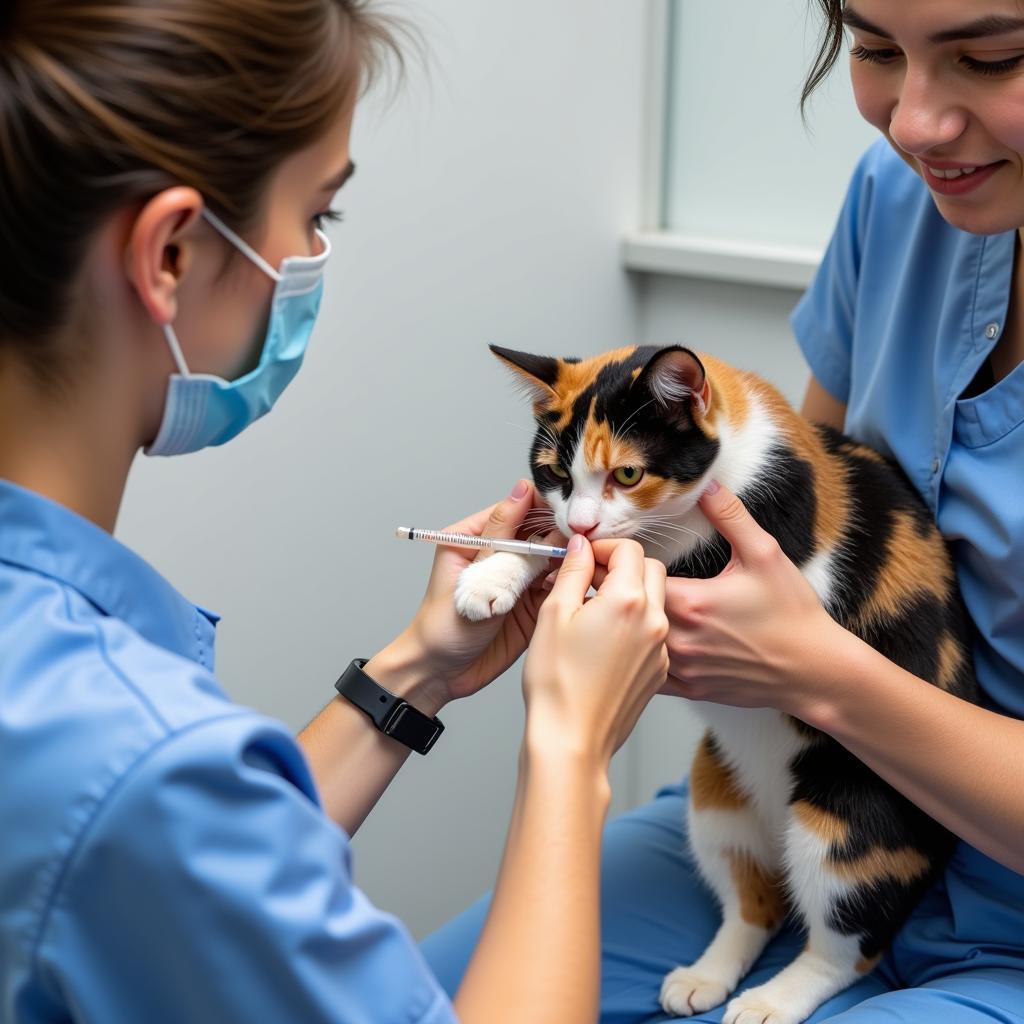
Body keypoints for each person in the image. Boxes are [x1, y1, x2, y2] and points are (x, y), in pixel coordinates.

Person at [0, 2, 674, 1022]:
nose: (315, 250)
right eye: (320, 211)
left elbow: (169, 882)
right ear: (172, 253)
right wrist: (571, 747)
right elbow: (146, 818)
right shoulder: (134, 762)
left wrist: (417, 669)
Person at [424, 1, 1024, 1021]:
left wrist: (815, 672)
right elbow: (787, 493)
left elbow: (789, 628)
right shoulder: (899, 195)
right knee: (415, 1001)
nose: (916, 121)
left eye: (989, 58)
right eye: (875, 51)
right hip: (784, 783)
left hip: (990, 892)